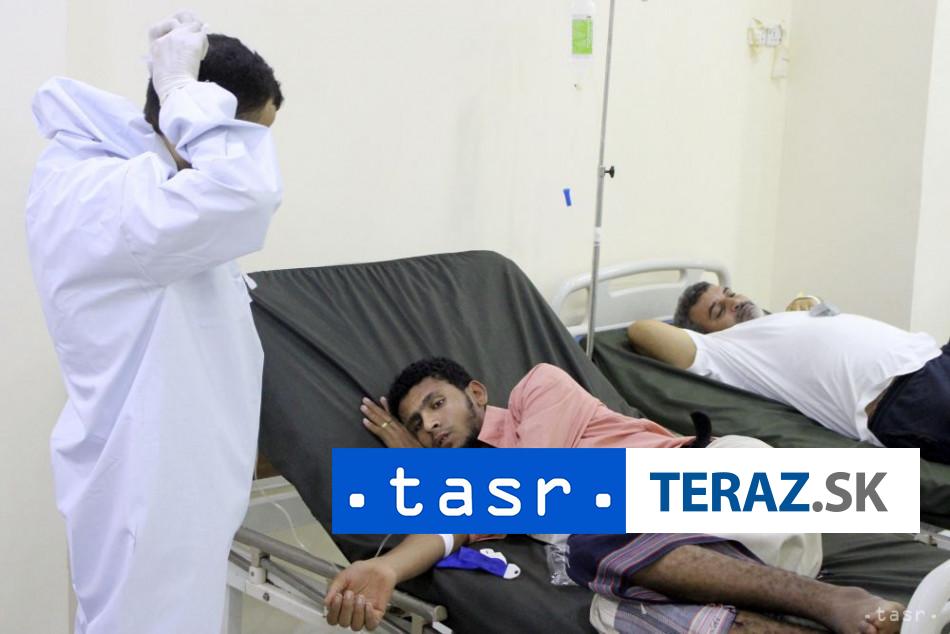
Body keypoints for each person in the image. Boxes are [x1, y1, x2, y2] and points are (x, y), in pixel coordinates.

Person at [324, 358, 903, 633]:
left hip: (727, 481)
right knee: (612, 588)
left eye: (436, 405)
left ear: (476, 392)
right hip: (706, 554)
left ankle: (836, 600)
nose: (429, 425)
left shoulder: (537, 389)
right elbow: (448, 532)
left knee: (592, 535)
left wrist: (424, 471)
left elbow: (530, 484)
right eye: (416, 424)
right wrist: (386, 570)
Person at [26, 13, 283, 633]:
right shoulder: (104, 197)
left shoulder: (151, 183)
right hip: (148, 485)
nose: (234, 154)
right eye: (236, 137)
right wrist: (180, 90)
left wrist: (181, 102)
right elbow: (244, 194)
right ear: (191, 122)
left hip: (179, 483)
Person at [628, 282, 949, 464]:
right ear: (704, 334)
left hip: (934, 356)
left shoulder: (776, 319)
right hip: (904, 396)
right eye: (718, 310)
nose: (733, 302)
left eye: (729, 293)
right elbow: (641, 331)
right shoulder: (723, 348)